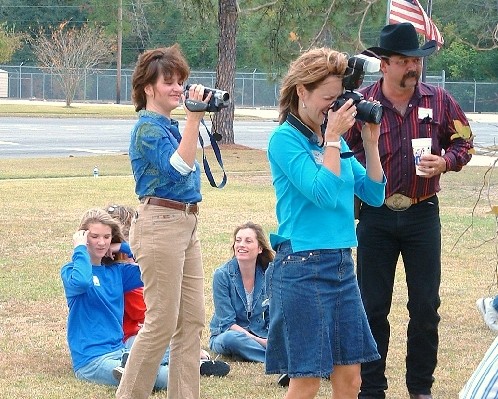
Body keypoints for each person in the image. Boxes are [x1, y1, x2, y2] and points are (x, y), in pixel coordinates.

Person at [344, 23, 474, 399]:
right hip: (376, 216)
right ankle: (372, 388)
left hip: (422, 214)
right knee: (372, 307)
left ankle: (420, 389)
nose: (412, 68)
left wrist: (447, 161)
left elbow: (465, 141)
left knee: (425, 306)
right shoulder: (362, 104)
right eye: (403, 61)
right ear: (383, 65)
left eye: (414, 61)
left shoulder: (439, 100)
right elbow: (337, 149)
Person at [265, 47, 386, 399]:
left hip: (341, 265)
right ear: (302, 92)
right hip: (302, 266)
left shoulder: (332, 141)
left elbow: (374, 195)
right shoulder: (284, 140)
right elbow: (322, 193)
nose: (333, 107)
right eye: (327, 98)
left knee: (351, 380)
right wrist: (333, 138)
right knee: (306, 381)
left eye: (339, 99)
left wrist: (369, 140)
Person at [115, 44, 210, 399]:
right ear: (147, 87)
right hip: (160, 223)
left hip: (186, 223)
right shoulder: (147, 130)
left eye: (180, 81)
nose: (178, 89)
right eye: (168, 81)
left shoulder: (169, 126)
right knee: (162, 321)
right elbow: (178, 168)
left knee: (192, 322)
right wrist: (194, 117)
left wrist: (192, 119)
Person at [104, 204, 230, 379]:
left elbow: (147, 257)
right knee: (160, 344)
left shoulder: (131, 267)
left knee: (170, 342)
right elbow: (144, 311)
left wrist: (122, 248)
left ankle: (193, 363)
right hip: (132, 336)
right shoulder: (123, 275)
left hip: (147, 332)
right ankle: (194, 364)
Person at [60, 208, 169, 390]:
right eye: (94, 237)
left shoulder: (117, 272)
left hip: (120, 350)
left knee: (161, 353)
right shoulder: (71, 271)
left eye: (107, 237)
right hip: (92, 360)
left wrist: (122, 247)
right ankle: (163, 369)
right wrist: (79, 249)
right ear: (83, 236)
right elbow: (82, 282)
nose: (101, 243)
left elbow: (156, 267)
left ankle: (177, 365)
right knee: (161, 379)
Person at [209, 221, 274, 363]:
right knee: (232, 339)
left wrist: (273, 337)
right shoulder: (222, 275)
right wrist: (260, 341)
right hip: (227, 334)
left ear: (260, 248)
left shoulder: (268, 273)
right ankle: (275, 358)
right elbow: (227, 324)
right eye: (238, 240)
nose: (241, 245)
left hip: (259, 332)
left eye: (248, 241)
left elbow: (272, 314)